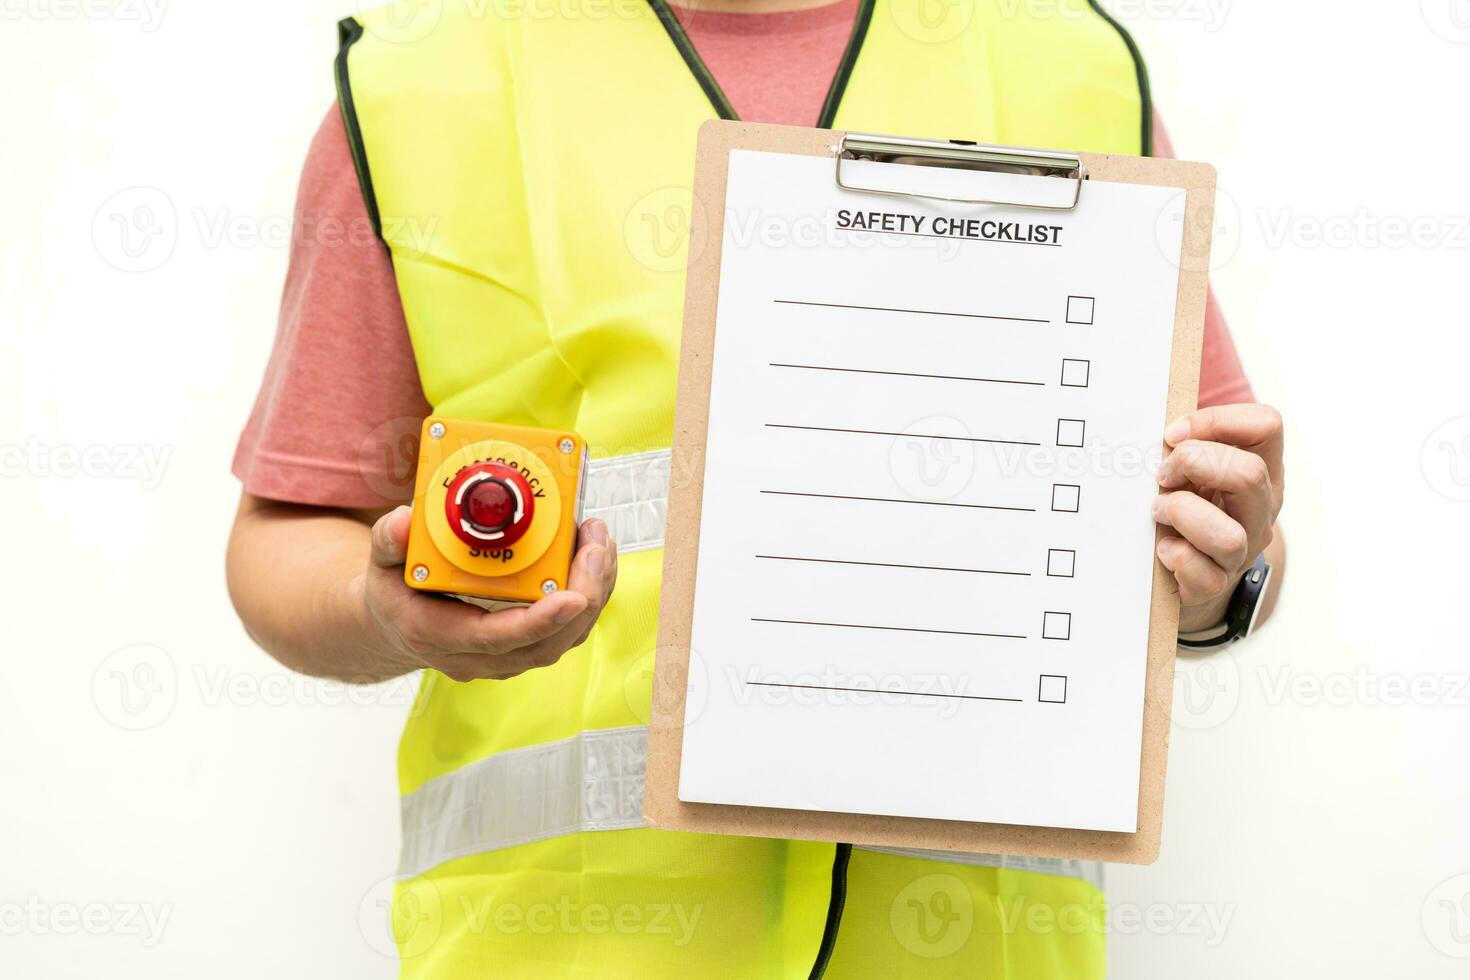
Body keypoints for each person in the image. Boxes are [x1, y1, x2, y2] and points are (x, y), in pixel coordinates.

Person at [226, 0, 1285, 975]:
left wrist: (1214, 583)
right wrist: (385, 611)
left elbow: (1234, 536)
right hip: (568, 952)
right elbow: (286, 538)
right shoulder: (424, 86)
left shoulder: (1070, 66)